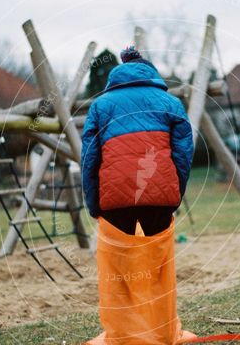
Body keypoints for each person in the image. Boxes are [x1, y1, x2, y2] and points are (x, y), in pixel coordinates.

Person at [81, 46, 193, 235]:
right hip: (160, 195)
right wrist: (174, 195)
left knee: (120, 259)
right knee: (157, 255)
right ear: (151, 72)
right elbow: (184, 156)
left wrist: (93, 203)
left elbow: (89, 159)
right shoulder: (171, 103)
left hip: (114, 197)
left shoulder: (100, 105)